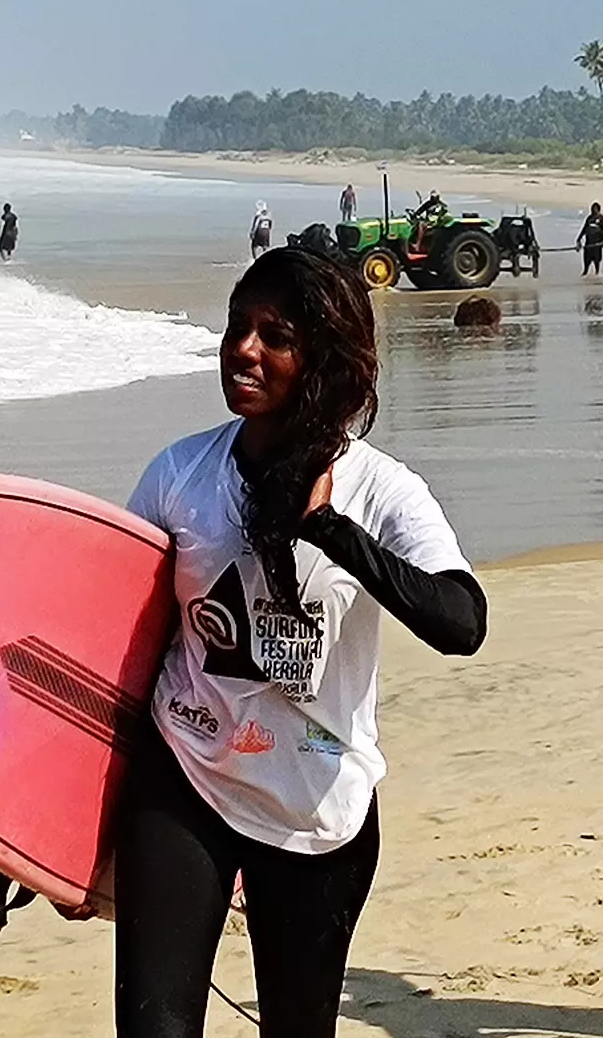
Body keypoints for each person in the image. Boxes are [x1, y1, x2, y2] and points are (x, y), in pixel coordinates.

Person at [112, 247, 488, 1035]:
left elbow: (462, 621)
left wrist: (326, 529)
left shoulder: (381, 490)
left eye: (274, 335)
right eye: (237, 328)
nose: (244, 350)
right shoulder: (179, 474)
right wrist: (32, 818)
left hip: (317, 800)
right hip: (187, 773)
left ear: (319, 359)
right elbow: (123, 646)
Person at [576, 202, 603, 276]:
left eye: (595, 209)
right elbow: (584, 229)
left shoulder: (602, 219)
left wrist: (602, 242)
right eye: (592, 209)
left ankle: (597, 274)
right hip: (588, 244)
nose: (593, 210)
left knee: (596, 261)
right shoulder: (589, 218)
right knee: (586, 262)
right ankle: (585, 274)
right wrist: (579, 239)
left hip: (596, 245)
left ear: (598, 209)